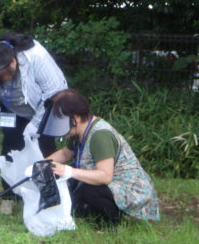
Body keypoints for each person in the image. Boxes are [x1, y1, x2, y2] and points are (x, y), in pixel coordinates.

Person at [0, 32, 68, 215]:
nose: (2, 82)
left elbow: (55, 92)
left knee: (44, 152)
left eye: (3, 77)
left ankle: (47, 199)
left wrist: (34, 127)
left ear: (13, 63)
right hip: (11, 111)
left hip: (43, 108)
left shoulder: (36, 56)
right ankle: (10, 198)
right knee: (10, 149)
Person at [41, 89, 160, 226]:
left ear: (76, 118)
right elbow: (65, 154)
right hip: (110, 184)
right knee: (72, 195)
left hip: (131, 190)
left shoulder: (99, 135)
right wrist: (42, 164)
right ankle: (94, 213)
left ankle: (113, 222)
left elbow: (105, 176)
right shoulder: (78, 131)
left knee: (89, 191)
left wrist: (68, 171)